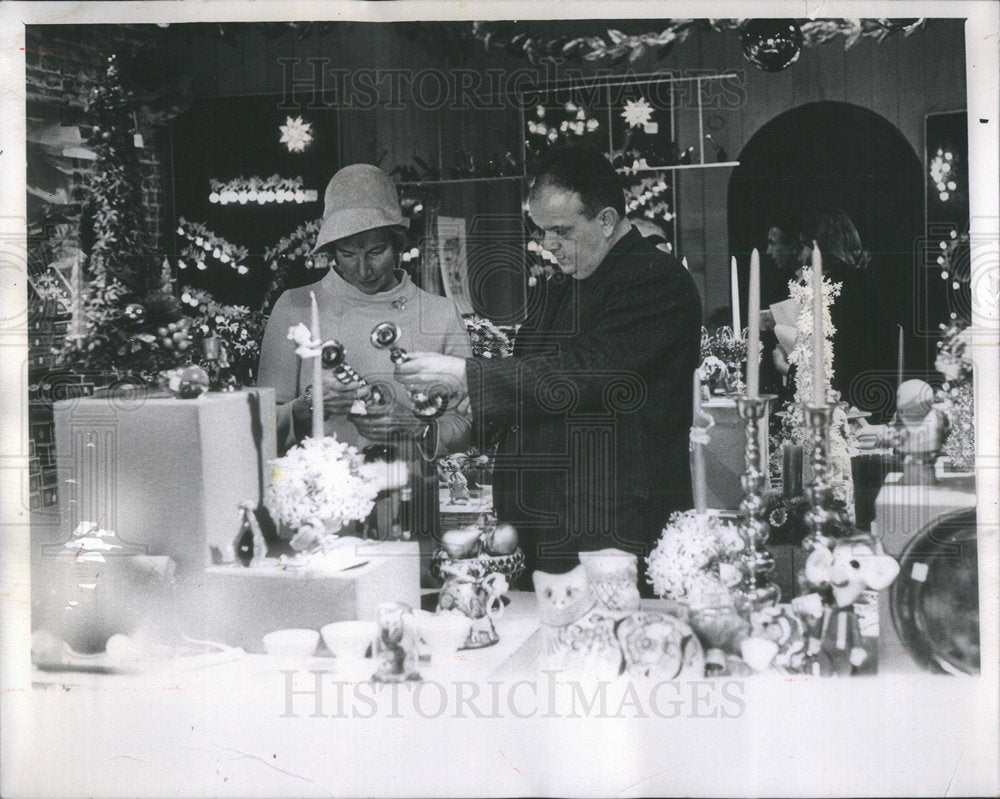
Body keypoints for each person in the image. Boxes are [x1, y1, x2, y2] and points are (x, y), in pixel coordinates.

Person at [394, 145, 702, 591]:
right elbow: (534, 380)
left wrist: (468, 374)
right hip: (545, 523)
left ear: (607, 220)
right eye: (541, 231)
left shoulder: (654, 277)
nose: (547, 244)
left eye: (561, 230)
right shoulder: (566, 282)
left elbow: (588, 372)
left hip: (609, 528)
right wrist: (441, 417)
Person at [257, 163, 473, 533]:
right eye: (347, 254)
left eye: (375, 252)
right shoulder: (295, 307)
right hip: (317, 512)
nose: (363, 269)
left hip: (410, 504)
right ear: (331, 251)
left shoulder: (437, 314)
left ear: (398, 245)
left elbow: (470, 422)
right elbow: (258, 426)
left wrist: (415, 426)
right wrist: (308, 407)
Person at [794, 208, 896, 419]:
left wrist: (788, 365)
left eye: (804, 245)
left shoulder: (837, 289)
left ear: (821, 246)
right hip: (870, 393)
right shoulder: (861, 281)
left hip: (848, 401)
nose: (800, 255)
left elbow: (835, 354)